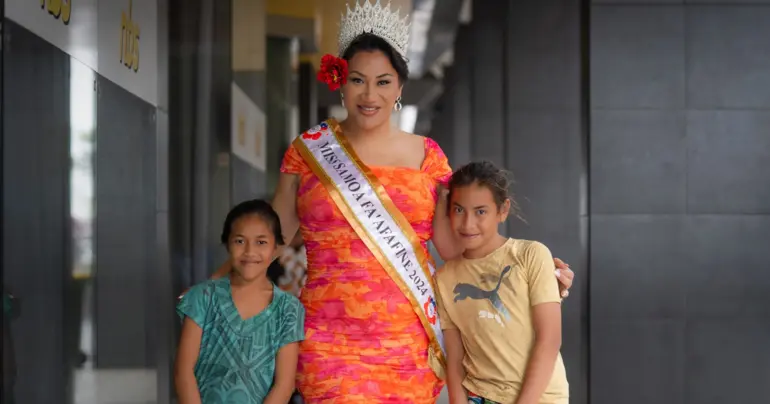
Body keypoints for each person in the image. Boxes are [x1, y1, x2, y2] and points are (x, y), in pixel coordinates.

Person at [213, 1, 574, 402]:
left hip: (408, 340)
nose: (370, 95)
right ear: (341, 81)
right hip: (328, 339)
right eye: (358, 80)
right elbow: (273, 234)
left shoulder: (427, 157)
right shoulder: (310, 150)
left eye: (383, 82)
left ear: (400, 88)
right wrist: (218, 284)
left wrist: (530, 275)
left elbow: (458, 248)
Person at [436, 161, 569, 404]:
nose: (468, 224)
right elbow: (454, 359)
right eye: (458, 210)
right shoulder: (444, 278)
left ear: (502, 210)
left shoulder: (531, 255)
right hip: (481, 396)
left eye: (480, 211)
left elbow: (549, 340)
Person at [175, 200, 305, 404]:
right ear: (227, 244)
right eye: (239, 241)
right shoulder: (203, 297)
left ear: (276, 247)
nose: (249, 251)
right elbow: (184, 373)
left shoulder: (288, 309)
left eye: (261, 242)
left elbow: (284, 385)